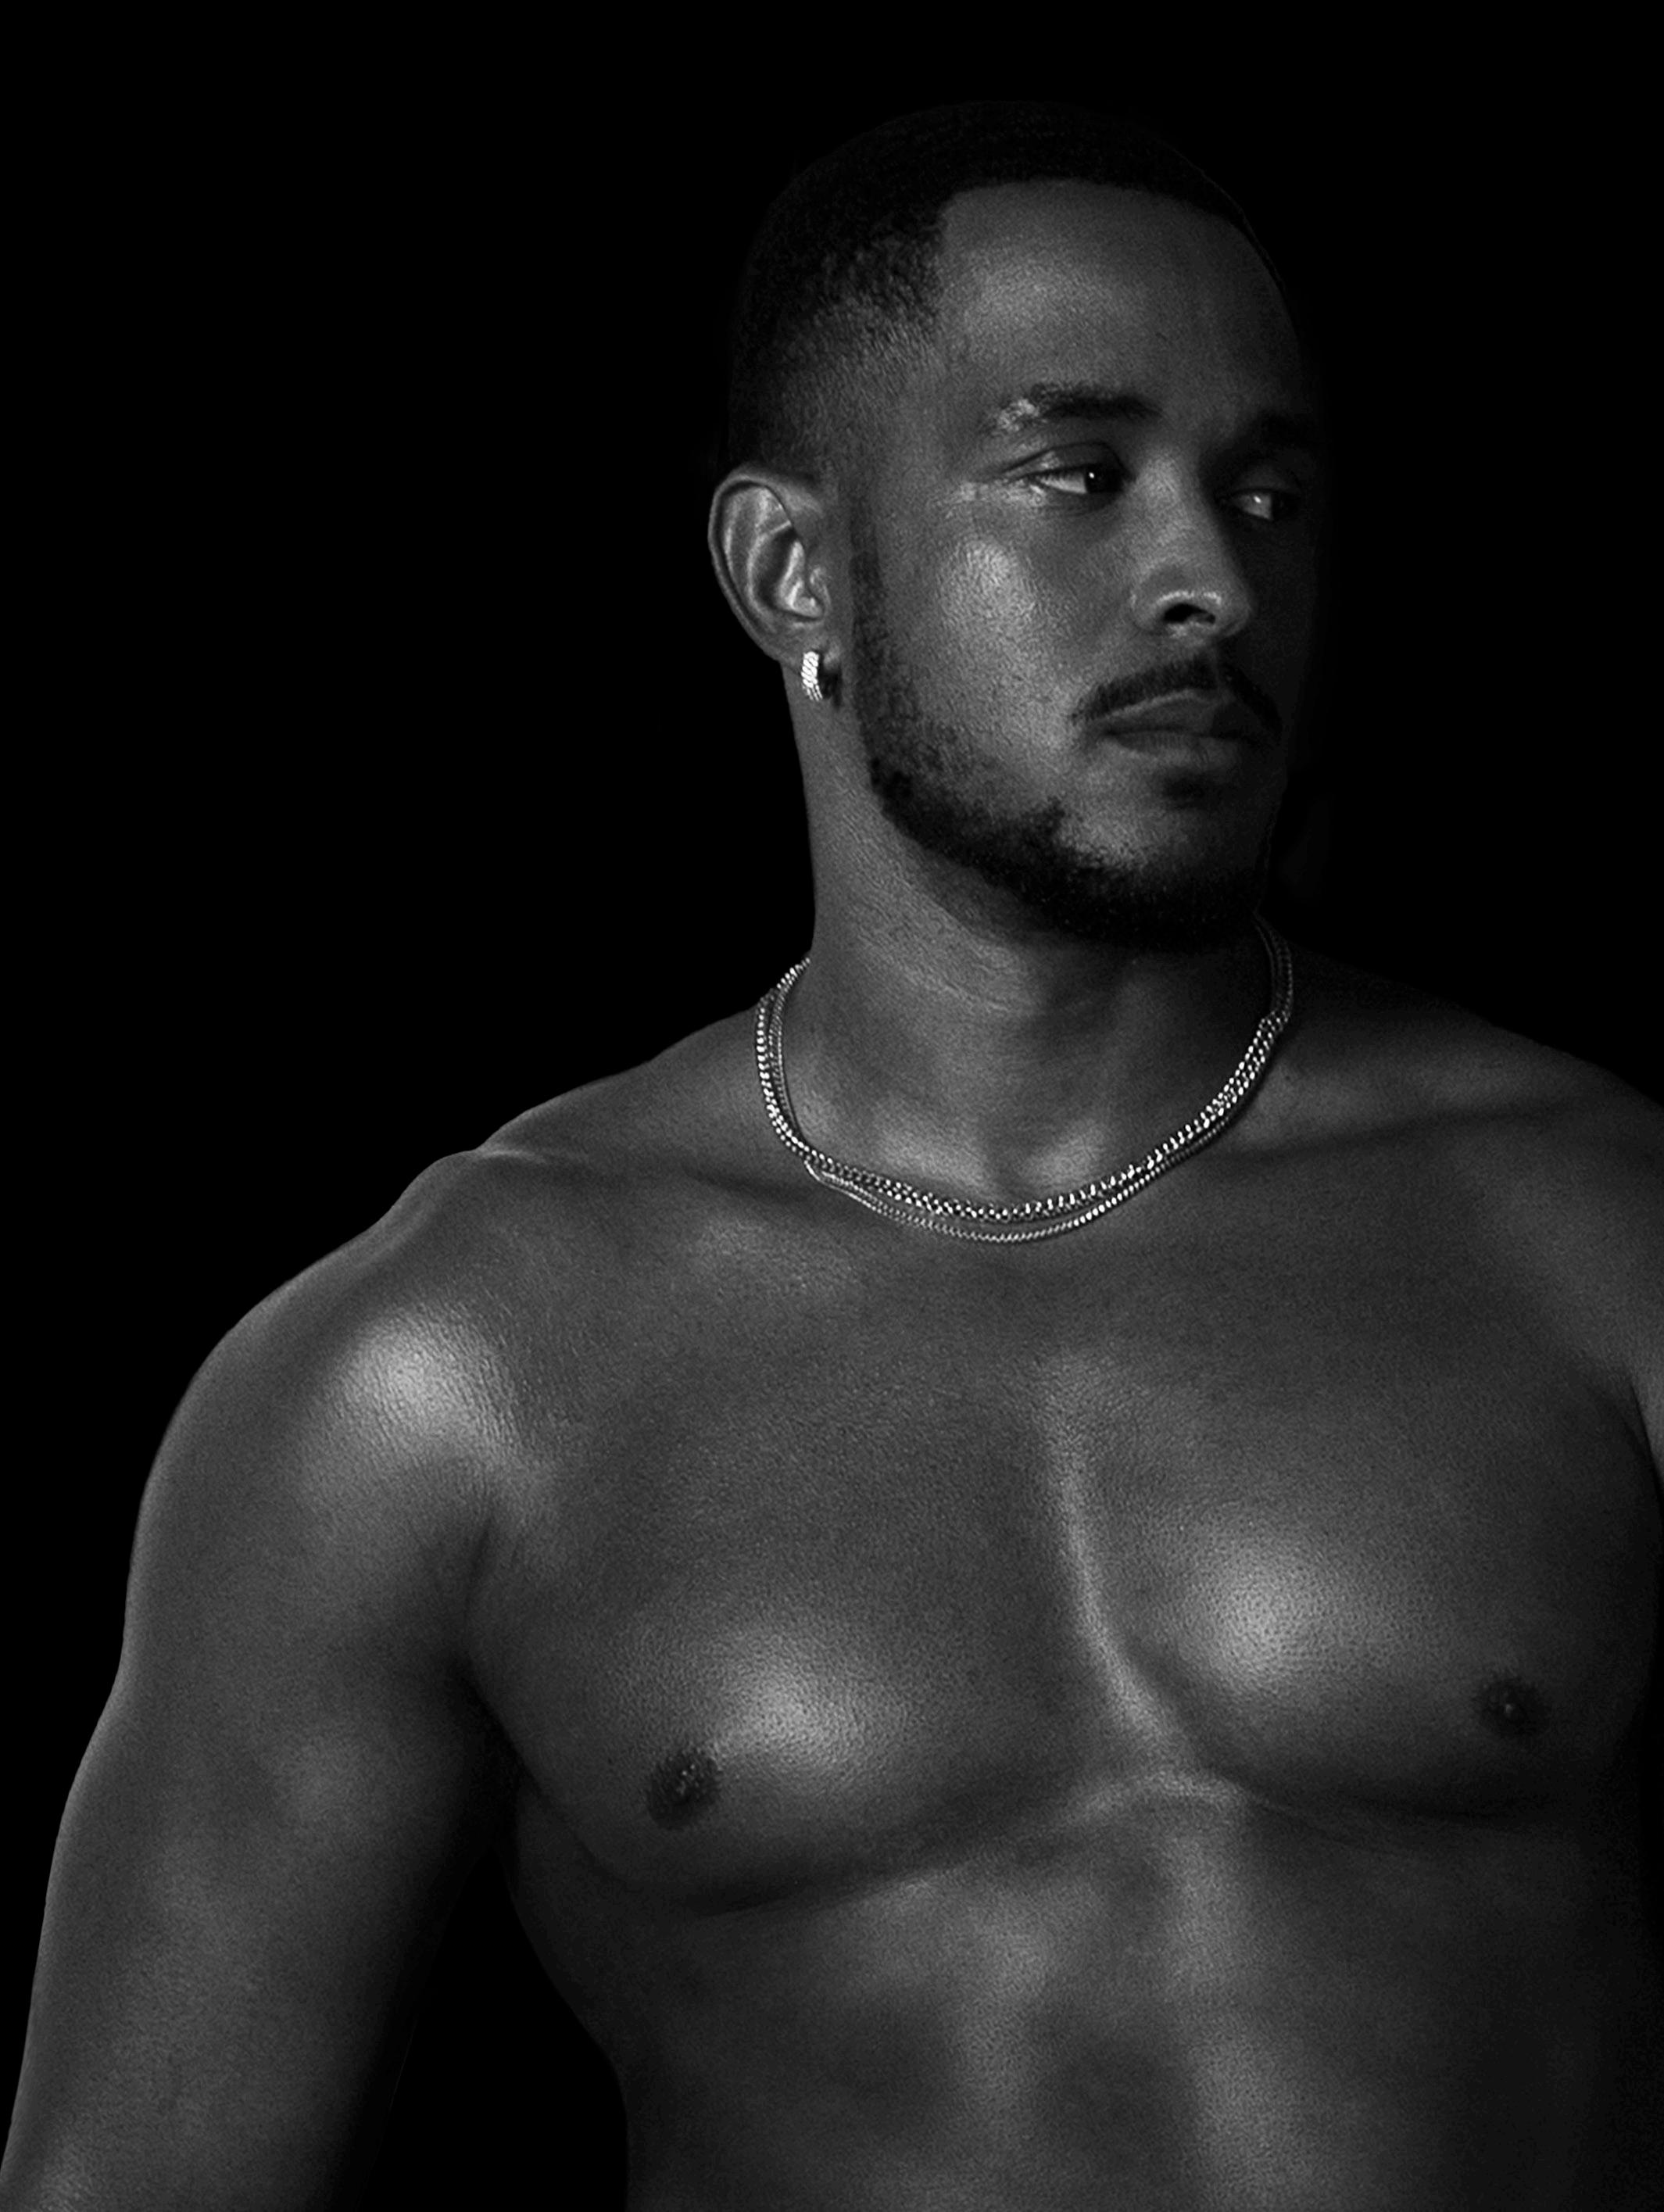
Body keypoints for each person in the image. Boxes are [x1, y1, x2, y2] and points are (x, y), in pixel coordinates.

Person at [4, 98, 1660, 2211]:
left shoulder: (1595, 1237)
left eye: (1268, 493)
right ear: (794, 573)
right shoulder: (441, 1378)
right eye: (1079, 475)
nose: (1213, 582)